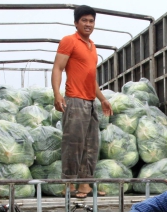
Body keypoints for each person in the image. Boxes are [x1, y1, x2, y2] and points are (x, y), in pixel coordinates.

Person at [52, 5, 112, 199]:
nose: (88, 24)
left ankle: (85, 185)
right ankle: (68, 186)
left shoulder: (92, 46)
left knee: (90, 145)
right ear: (76, 22)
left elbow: (90, 78)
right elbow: (58, 68)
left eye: (91, 21)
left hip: (90, 101)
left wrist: (102, 99)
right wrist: (57, 94)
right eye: (84, 20)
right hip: (75, 100)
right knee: (73, 143)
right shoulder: (69, 41)